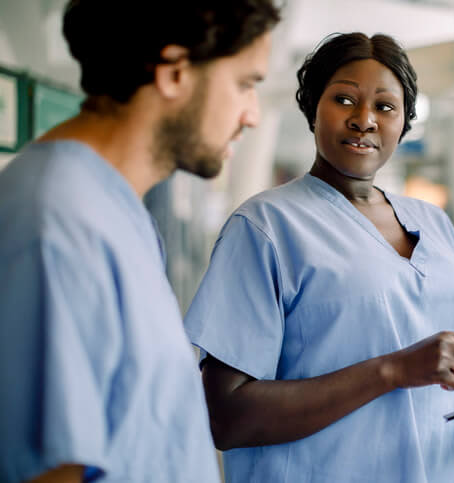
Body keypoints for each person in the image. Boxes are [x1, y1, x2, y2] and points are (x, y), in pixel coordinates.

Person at [183, 32, 454, 483]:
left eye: (385, 107)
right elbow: (228, 417)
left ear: (404, 121)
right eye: (344, 100)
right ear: (313, 106)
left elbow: (448, 387)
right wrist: (392, 370)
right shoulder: (266, 228)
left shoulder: (434, 225)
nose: (364, 120)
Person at [0, 1, 280, 482]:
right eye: (244, 84)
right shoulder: (56, 221)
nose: (251, 115)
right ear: (174, 72)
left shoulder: (116, 209)